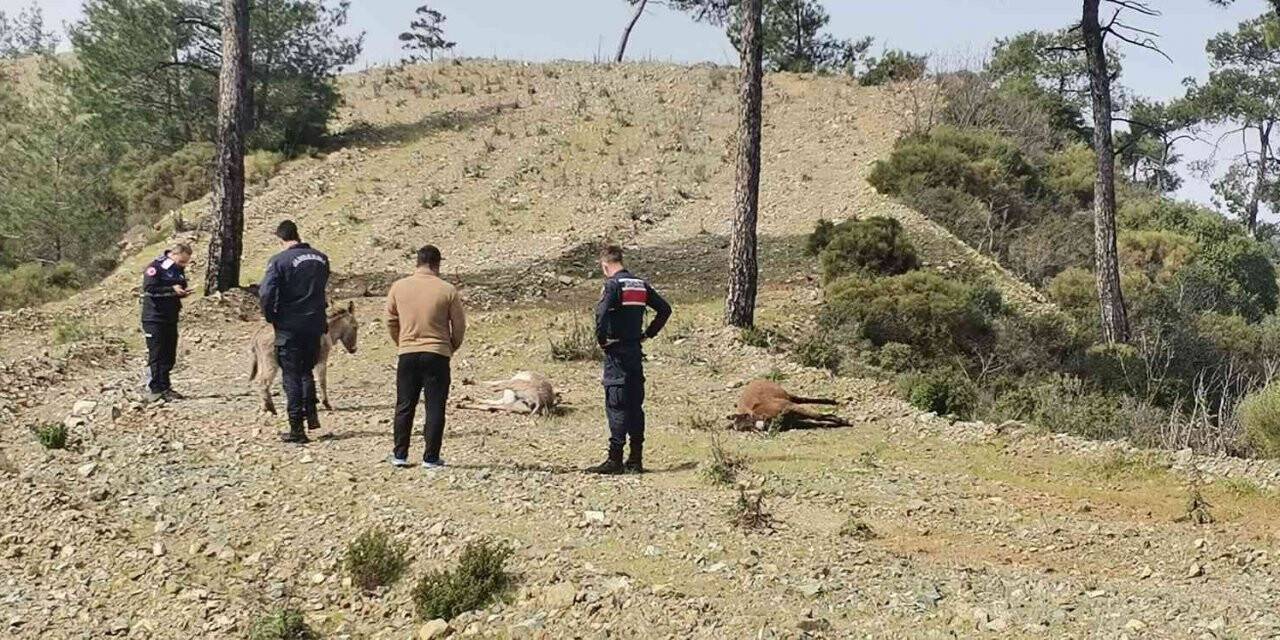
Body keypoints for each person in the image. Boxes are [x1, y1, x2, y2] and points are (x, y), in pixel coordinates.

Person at [589, 244, 671, 475]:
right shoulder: (640, 285)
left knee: (616, 404)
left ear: (605, 266)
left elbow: (601, 314)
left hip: (617, 353)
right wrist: (648, 333)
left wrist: (602, 340)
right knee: (636, 406)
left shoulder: (612, 285)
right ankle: (636, 459)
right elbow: (665, 309)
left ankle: (614, 459)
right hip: (635, 351)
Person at [385, 245, 466, 469]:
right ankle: (430, 457)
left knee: (404, 404)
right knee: (435, 406)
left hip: (408, 353)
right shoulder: (447, 290)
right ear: (437, 264)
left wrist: (401, 342)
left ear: (417, 263)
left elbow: (391, 321)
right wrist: (450, 347)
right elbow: (459, 325)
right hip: (437, 354)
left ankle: (400, 454)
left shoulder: (398, 287)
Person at [259, 220, 330, 444]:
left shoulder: (279, 261)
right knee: (307, 371)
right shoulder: (321, 258)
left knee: (291, 375)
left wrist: (271, 316)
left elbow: (267, 293)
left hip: (290, 326)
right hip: (315, 324)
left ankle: (297, 430)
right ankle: (311, 417)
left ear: (281, 239)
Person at [140, 243, 193, 402]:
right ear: (174, 254)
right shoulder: (156, 267)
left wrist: (181, 291)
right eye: (182, 261)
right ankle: (154, 389)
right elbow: (149, 288)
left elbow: (180, 283)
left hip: (171, 317)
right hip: (154, 317)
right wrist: (171, 290)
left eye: (185, 263)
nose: (183, 265)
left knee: (169, 354)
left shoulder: (176, 269)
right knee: (157, 353)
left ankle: (165, 386)